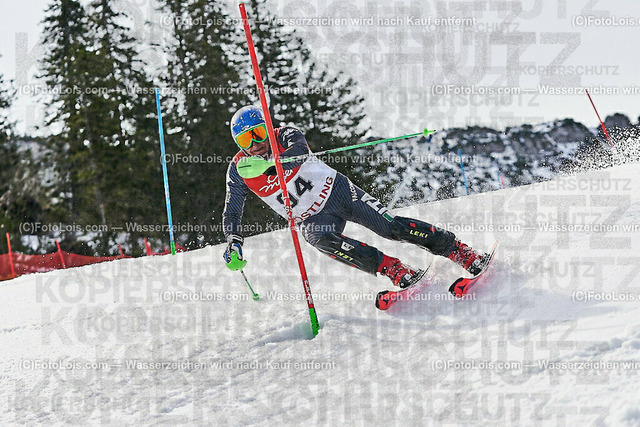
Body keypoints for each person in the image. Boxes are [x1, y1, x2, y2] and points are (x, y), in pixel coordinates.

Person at [222, 106, 489, 288]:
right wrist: (234, 242)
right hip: (312, 217)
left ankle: (457, 250)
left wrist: (272, 164)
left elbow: (300, 151)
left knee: (391, 228)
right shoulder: (238, 170)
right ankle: (392, 268)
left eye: (259, 133)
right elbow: (232, 210)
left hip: (337, 192)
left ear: (268, 128)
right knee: (319, 239)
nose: (255, 144)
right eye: (246, 141)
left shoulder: (285, 135)